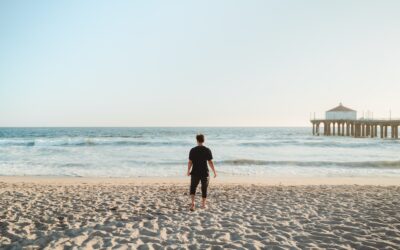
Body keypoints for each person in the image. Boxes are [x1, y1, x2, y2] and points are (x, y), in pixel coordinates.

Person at [187, 134, 217, 211]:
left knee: (193, 187)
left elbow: (190, 162)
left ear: (197, 140)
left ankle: (193, 203)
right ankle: (203, 204)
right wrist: (214, 171)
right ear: (203, 140)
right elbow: (210, 162)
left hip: (195, 172)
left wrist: (188, 171)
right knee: (204, 188)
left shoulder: (193, 150)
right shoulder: (207, 150)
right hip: (204, 172)